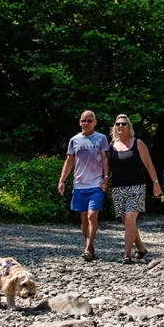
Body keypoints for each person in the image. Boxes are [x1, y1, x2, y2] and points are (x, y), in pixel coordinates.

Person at [57, 110, 110, 261]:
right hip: (79, 184)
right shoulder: (74, 140)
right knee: (83, 218)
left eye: (89, 120)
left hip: (96, 183)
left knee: (92, 215)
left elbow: (105, 159)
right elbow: (69, 161)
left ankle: (87, 248)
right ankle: (90, 246)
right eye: (84, 121)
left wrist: (106, 177)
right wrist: (62, 180)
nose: (86, 123)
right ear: (80, 122)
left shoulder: (101, 139)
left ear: (95, 122)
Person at [108, 114, 161, 264]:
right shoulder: (111, 146)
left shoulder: (138, 143)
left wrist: (155, 182)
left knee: (130, 221)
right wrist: (105, 179)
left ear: (129, 126)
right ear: (115, 127)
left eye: (124, 123)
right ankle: (141, 249)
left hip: (136, 187)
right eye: (118, 123)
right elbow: (108, 168)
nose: (120, 126)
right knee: (127, 223)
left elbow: (149, 165)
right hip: (118, 188)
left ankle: (126, 255)